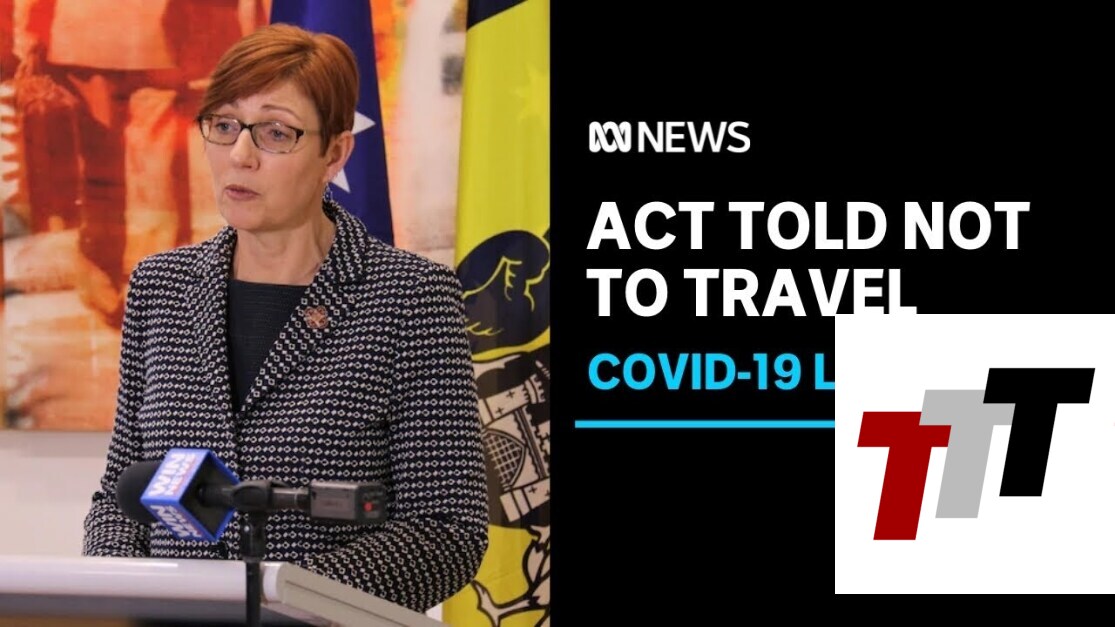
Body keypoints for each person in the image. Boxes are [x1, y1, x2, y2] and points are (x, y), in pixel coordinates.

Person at [81, 23, 489, 613]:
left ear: (335, 154)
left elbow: (446, 532)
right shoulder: (161, 287)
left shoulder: (410, 297)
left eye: (275, 133)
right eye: (224, 126)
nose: (240, 156)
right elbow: (121, 501)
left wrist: (279, 599)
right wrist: (123, 596)